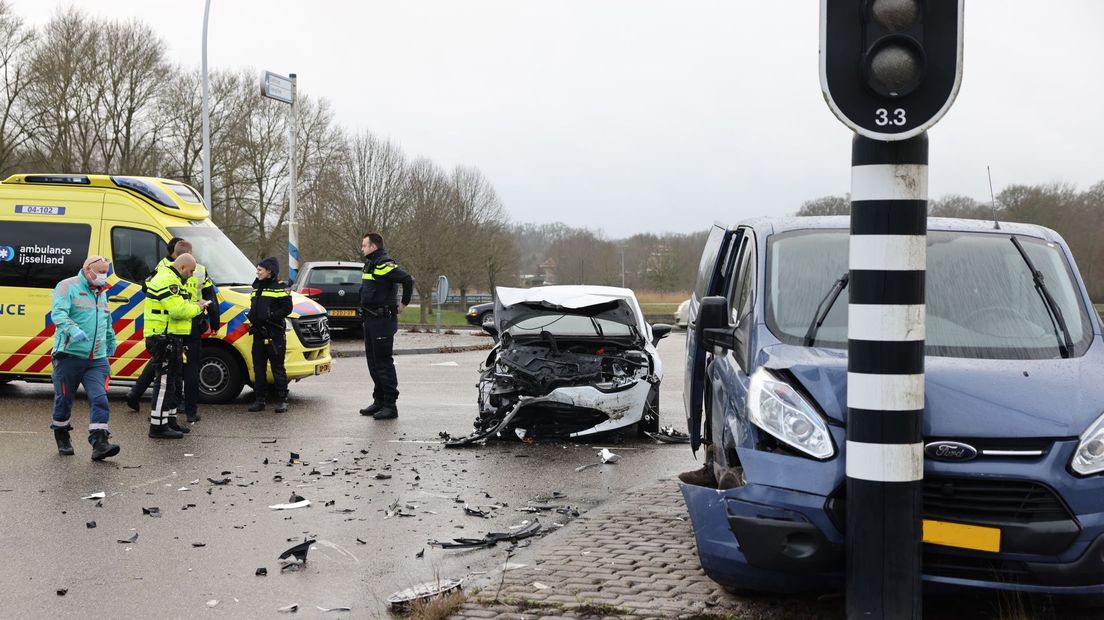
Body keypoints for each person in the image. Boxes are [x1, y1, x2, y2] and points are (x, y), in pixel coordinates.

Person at [127, 238, 219, 422]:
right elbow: (211, 296)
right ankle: (188, 411)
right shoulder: (198, 270)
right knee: (181, 367)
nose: (191, 273)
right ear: (186, 256)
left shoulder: (162, 267)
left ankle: (137, 394)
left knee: (163, 365)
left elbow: (146, 287)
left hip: (172, 323)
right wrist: (214, 322)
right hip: (188, 320)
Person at [49, 255, 121, 460]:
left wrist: (110, 339)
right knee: (64, 400)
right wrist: (73, 330)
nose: (103, 276)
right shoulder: (66, 286)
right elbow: (59, 314)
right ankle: (62, 435)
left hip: (96, 359)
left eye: (105, 272)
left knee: (99, 398)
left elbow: (106, 319)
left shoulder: (102, 292)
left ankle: (100, 443)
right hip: (69, 355)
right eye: (100, 271)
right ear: (87, 269)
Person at [144, 253, 208, 438]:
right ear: (181, 267)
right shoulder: (167, 280)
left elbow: (180, 304)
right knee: (164, 382)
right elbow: (178, 310)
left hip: (172, 337)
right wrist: (199, 307)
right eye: (190, 271)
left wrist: (194, 304)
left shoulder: (174, 280)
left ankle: (169, 420)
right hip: (162, 337)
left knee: (172, 381)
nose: (191, 274)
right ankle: (157, 426)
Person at [357, 232, 413, 420]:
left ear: (373, 246)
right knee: (373, 363)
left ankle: (390, 405)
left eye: (364, 245)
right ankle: (379, 400)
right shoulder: (371, 264)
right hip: (370, 320)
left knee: (383, 363)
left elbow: (407, 279)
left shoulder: (384, 264)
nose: (362, 248)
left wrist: (403, 303)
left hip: (382, 320)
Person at [246, 257, 292, 413]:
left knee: (277, 368)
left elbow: (287, 309)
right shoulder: (256, 287)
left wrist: (270, 316)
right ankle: (260, 400)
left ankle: (282, 400)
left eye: (260, 269)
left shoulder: (280, 288)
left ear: (269, 271)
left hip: (274, 334)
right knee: (258, 369)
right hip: (258, 333)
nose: (257, 272)